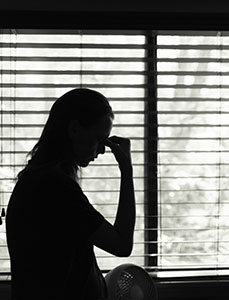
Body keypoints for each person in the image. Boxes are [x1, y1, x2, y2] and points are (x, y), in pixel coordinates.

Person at [5, 88, 136, 300]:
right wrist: (127, 170)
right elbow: (121, 244)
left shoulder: (40, 181)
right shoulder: (55, 189)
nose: (103, 150)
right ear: (74, 129)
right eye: (99, 138)